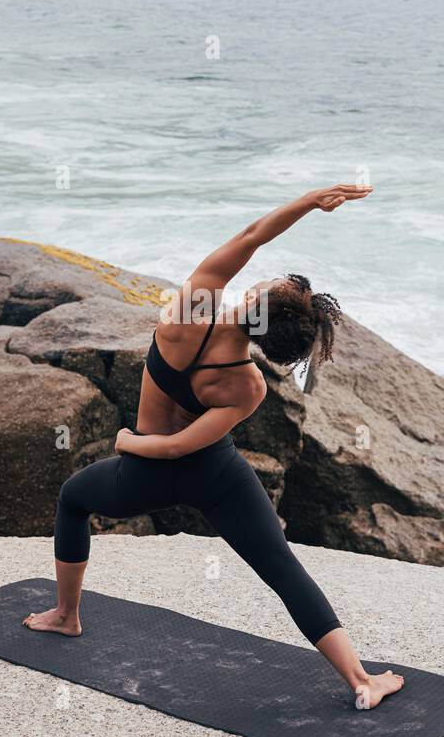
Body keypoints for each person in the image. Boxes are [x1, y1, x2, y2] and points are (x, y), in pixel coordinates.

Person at [23, 184, 404, 710]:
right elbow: (187, 446)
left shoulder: (187, 314)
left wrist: (309, 203)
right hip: (218, 476)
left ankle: (66, 616)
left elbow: (251, 237)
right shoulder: (248, 384)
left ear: (253, 300)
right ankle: (361, 680)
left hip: (143, 473)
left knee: (73, 498)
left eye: (267, 283)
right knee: (281, 568)